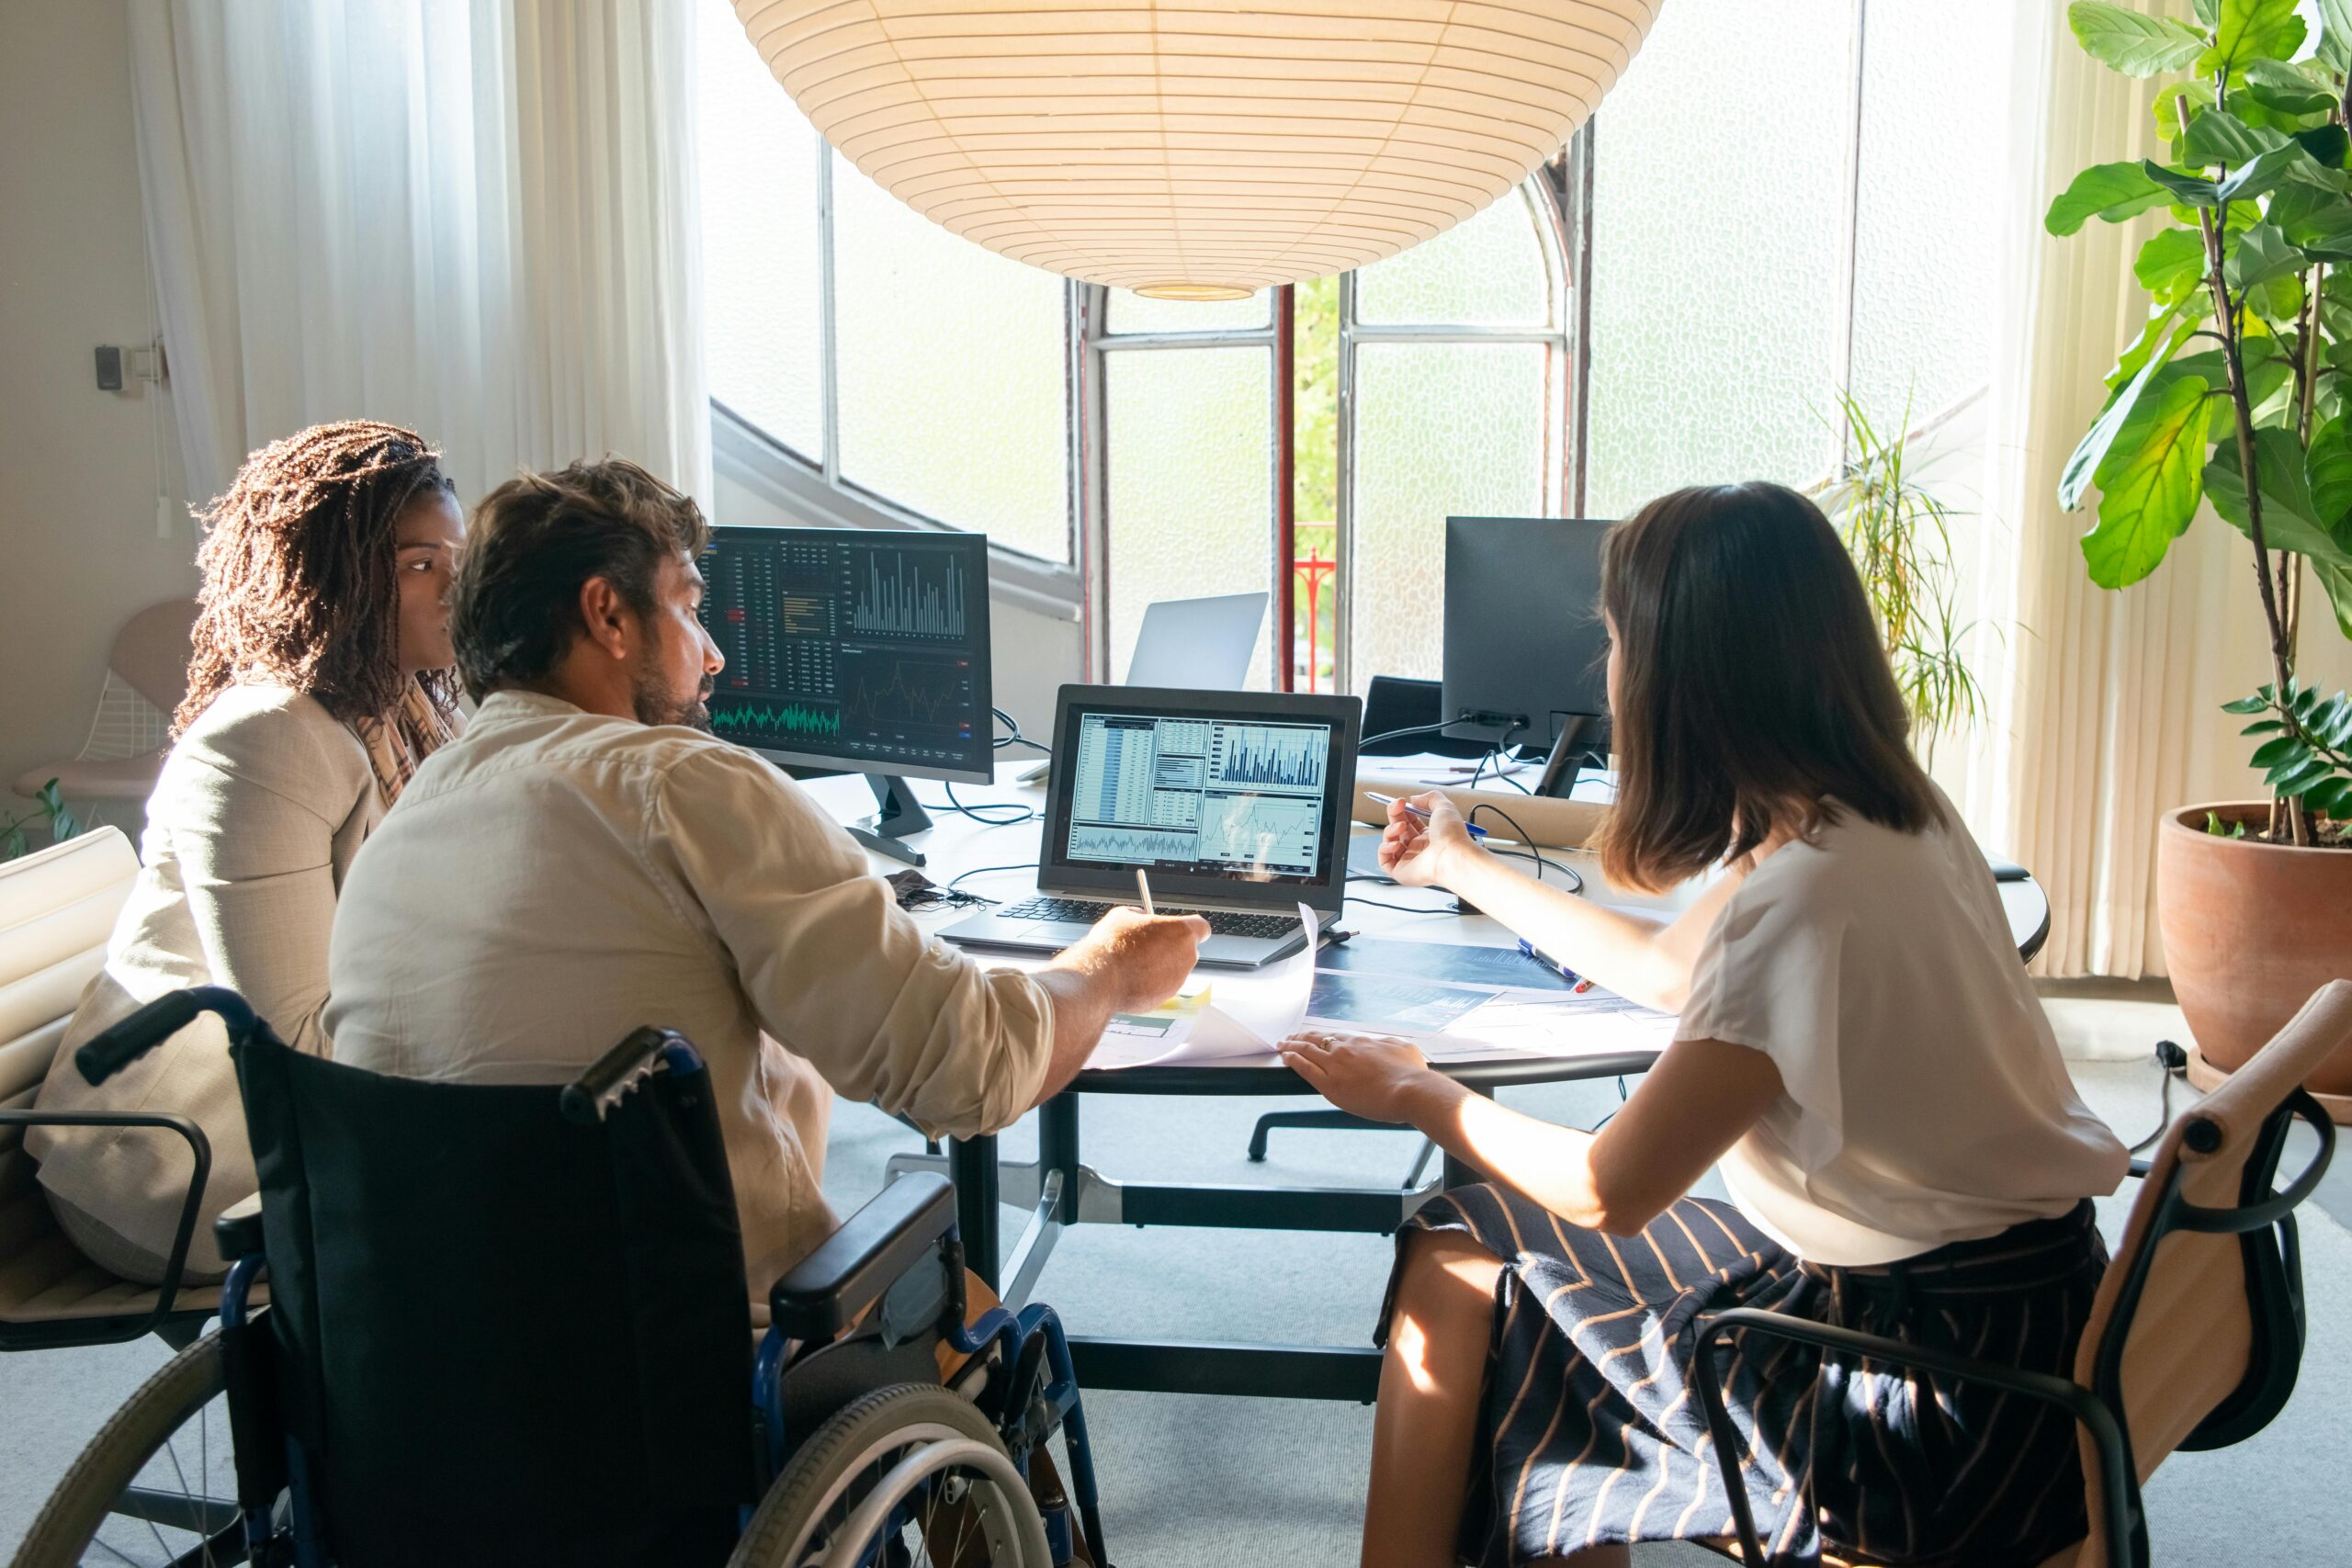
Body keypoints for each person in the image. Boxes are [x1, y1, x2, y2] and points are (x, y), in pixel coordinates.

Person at [1280, 482, 2128, 1568]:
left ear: (1679, 675)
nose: (1608, 670)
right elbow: (1665, 968)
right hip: (2012, 1317)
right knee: (1469, 1242)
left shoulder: (1804, 891)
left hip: (1918, 1397)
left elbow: (1610, 1191)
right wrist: (1460, 864)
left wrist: (1413, 1091)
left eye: (1617, 640)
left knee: (1500, 1299)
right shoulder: (1873, 813)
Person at [322, 458, 1205, 1293]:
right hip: (702, 1353)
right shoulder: (685, 785)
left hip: (428, 1359)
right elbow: (968, 1068)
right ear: (609, 615)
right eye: (687, 606)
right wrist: (1111, 968)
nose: (712, 655)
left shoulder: (401, 825)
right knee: (1000, 1329)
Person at [32, 420, 466, 1283]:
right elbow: (295, 1046)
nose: (456, 586)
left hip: (303, 1118)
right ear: (335, 577)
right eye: (421, 564)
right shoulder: (266, 741)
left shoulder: (410, 706)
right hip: (181, 1166)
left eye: (458, 559)